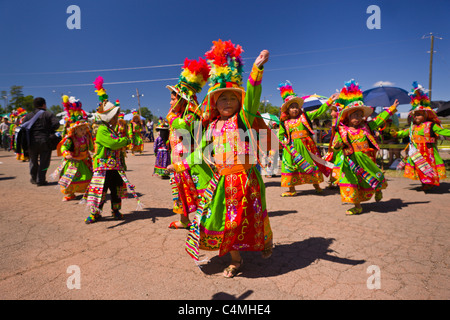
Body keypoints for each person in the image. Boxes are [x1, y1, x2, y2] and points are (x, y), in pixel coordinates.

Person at [178, 40, 273, 278]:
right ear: (215, 104)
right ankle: (236, 259)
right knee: (226, 222)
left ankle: (262, 243)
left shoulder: (244, 119)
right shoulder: (211, 127)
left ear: (239, 102)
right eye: (222, 98)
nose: (228, 102)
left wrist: (257, 71)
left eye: (232, 98)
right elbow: (200, 151)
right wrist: (181, 163)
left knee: (252, 218)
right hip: (222, 182)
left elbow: (252, 97)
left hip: (246, 180)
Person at [332, 80, 399, 215]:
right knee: (351, 182)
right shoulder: (342, 130)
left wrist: (391, 109)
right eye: (354, 115)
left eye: (359, 115)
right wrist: (337, 146)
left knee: (373, 178)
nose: (357, 117)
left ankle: (378, 189)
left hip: (366, 159)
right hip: (351, 162)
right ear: (348, 117)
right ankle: (357, 206)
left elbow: (380, 119)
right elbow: (336, 146)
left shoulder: (367, 126)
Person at [84, 76, 141, 224]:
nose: (117, 118)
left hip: (115, 166)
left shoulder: (110, 129)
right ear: (109, 117)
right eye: (115, 115)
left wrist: (123, 141)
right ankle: (95, 213)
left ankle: (116, 210)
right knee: (100, 191)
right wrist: (125, 140)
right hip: (103, 167)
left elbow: (118, 141)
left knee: (116, 190)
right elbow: (114, 144)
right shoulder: (103, 130)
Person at [165, 56, 211, 229]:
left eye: (172, 99)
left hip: (193, 162)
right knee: (181, 191)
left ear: (182, 100)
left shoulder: (191, 116)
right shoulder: (179, 116)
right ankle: (184, 220)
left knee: (199, 191)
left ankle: (205, 222)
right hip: (179, 161)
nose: (170, 103)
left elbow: (183, 127)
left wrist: (171, 118)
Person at [278, 81, 338, 197]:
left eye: (296, 107)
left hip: (307, 146)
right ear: (287, 110)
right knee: (290, 166)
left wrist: (330, 101)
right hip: (292, 148)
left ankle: (317, 186)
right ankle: (291, 189)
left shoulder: (305, 116)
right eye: (292, 107)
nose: (295, 109)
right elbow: (280, 135)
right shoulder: (284, 122)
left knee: (312, 164)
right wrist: (284, 143)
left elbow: (319, 111)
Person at [391, 82, 450, 191]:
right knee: (420, 169)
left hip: (429, 153)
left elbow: (443, 131)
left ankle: (429, 183)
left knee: (429, 168)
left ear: (425, 115)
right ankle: (425, 183)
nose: (416, 116)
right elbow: (404, 132)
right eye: (415, 114)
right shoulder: (413, 127)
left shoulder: (431, 125)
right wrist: (395, 133)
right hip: (416, 153)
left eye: (419, 114)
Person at [51, 95, 94, 201]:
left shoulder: (87, 137)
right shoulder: (70, 139)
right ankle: (70, 194)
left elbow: (91, 146)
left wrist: (95, 151)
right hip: (73, 161)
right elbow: (64, 147)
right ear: (75, 130)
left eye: (85, 129)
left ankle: (87, 192)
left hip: (84, 160)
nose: (83, 131)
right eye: (81, 129)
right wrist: (67, 154)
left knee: (87, 176)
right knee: (70, 178)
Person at [22, 97, 60, 186]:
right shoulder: (48, 114)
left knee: (33, 161)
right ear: (44, 105)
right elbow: (56, 124)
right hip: (45, 141)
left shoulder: (28, 115)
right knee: (44, 161)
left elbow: (23, 127)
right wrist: (49, 130)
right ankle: (41, 180)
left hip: (31, 142)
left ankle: (34, 178)